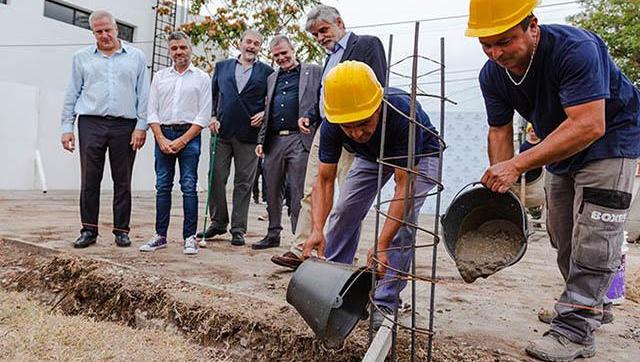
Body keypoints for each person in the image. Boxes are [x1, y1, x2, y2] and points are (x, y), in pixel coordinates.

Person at [466, 0, 640, 360]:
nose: (496, 52)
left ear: (532, 26)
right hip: (559, 144)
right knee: (562, 234)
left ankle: (576, 329)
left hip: (611, 138)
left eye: (505, 41)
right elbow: (498, 129)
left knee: (595, 235)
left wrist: (518, 164)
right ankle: (590, 305)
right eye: (486, 44)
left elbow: (590, 124)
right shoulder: (492, 74)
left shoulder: (575, 49)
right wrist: (502, 186)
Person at [302, 61, 441, 329]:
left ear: (377, 105)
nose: (356, 133)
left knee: (404, 224)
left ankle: (385, 301)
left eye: (364, 123)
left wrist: (382, 241)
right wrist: (316, 229)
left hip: (422, 155)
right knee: (345, 211)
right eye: (348, 127)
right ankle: (336, 284)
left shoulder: (400, 111)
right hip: (371, 156)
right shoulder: (333, 121)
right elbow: (325, 179)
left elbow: (404, 185)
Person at [271, 5, 387, 269]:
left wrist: (364, 132)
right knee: (313, 187)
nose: (321, 37)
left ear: (339, 22)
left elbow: (378, 87)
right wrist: (311, 115)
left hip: (354, 129)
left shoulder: (367, 45)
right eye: (315, 35)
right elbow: (326, 94)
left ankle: (339, 256)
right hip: (326, 128)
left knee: (349, 196)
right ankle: (302, 248)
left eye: (323, 30)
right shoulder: (329, 59)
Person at [60, 10, 148, 249]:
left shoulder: (136, 57)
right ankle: (89, 230)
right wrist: (67, 127)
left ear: (116, 28)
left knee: (122, 180)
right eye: (98, 31)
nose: (104, 35)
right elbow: (72, 93)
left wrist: (142, 126)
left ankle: (121, 230)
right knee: (89, 179)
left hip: (125, 125)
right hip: (91, 123)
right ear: (93, 33)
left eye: (107, 30)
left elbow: (144, 94)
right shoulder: (81, 58)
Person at [197, 30, 274, 246]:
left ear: (260, 48)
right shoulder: (222, 67)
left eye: (256, 43)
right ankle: (218, 221)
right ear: (239, 43)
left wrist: (264, 113)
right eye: (248, 42)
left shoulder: (267, 72)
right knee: (216, 177)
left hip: (249, 137)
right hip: (221, 132)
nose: (251, 46)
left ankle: (238, 228)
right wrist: (212, 117)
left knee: (244, 183)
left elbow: (272, 100)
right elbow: (212, 96)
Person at [138, 31, 211, 255]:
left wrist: (182, 140)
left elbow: (204, 115)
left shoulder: (202, 78)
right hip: (163, 135)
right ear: (169, 51)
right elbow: (151, 111)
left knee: (189, 186)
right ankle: (160, 235)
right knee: (162, 186)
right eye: (174, 48)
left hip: (189, 136)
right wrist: (160, 138)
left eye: (183, 47)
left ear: (190, 48)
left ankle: (190, 237)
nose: (178, 52)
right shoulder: (160, 77)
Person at [252, 35, 322, 250]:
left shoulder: (314, 71)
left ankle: (299, 240)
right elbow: (269, 108)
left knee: (300, 192)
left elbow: (321, 101)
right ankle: (272, 234)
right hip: (273, 140)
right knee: (271, 189)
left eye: (284, 53)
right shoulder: (272, 78)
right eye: (276, 55)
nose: (281, 58)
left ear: (293, 50)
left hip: (299, 139)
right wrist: (261, 140)